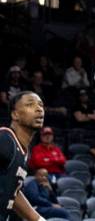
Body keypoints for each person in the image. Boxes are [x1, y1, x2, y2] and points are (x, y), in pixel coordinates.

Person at [1, 92, 47, 221]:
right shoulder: (5, 139)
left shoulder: (22, 150)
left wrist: (38, 219)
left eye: (41, 105)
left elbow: (12, 190)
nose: (39, 109)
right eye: (30, 104)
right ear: (15, 114)